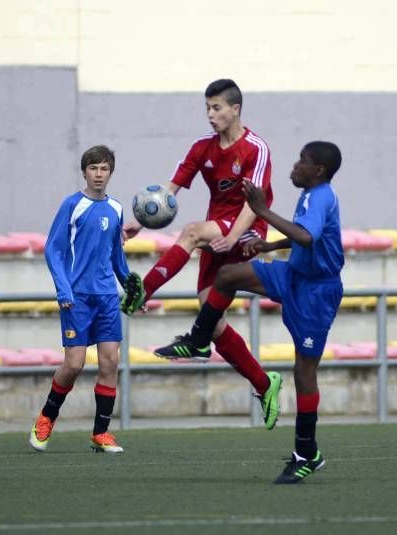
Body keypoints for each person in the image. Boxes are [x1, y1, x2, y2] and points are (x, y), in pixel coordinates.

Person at [154, 141, 344, 484]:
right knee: (226, 276)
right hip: (293, 274)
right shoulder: (312, 194)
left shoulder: (320, 196)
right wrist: (269, 245)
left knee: (304, 372)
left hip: (316, 292)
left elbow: (305, 235)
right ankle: (199, 341)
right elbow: (307, 237)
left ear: (318, 171)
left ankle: (307, 453)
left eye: (303, 161)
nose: (296, 165)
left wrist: (262, 211)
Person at [121, 78, 283, 429]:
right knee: (213, 321)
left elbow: (254, 205)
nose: (210, 115)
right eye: (207, 108)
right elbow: (168, 193)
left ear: (235, 109)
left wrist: (234, 236)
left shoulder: (256, 149)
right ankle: (265, 383)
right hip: (219, 232)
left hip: (247, 230)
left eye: (217, 108)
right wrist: (139, 222)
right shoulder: (202, 148)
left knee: (192, 231)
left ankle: (141, 293)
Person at [30, 145, 142, 454]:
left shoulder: (117, 209)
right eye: (93, 168)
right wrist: (63, 289)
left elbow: (116, 256)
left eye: (104, 169)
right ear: (85, 172)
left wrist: (131, 287)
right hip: (76, 297)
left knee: (111, 361)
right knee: (74, 364)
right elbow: (52, 249)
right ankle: (45, 418)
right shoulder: (72, 205)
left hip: (106, 297)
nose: (98, 174)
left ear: (110, 173)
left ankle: (101, 433)